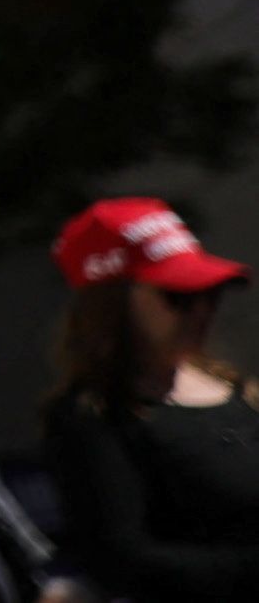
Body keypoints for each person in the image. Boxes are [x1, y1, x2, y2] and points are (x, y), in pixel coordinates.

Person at [44, 198, 259, 599]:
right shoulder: (95, 417)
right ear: (113, 304)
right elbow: (122, 561)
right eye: (178, 297)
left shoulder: (238, 391)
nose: (201, 312)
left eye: (210, 294)